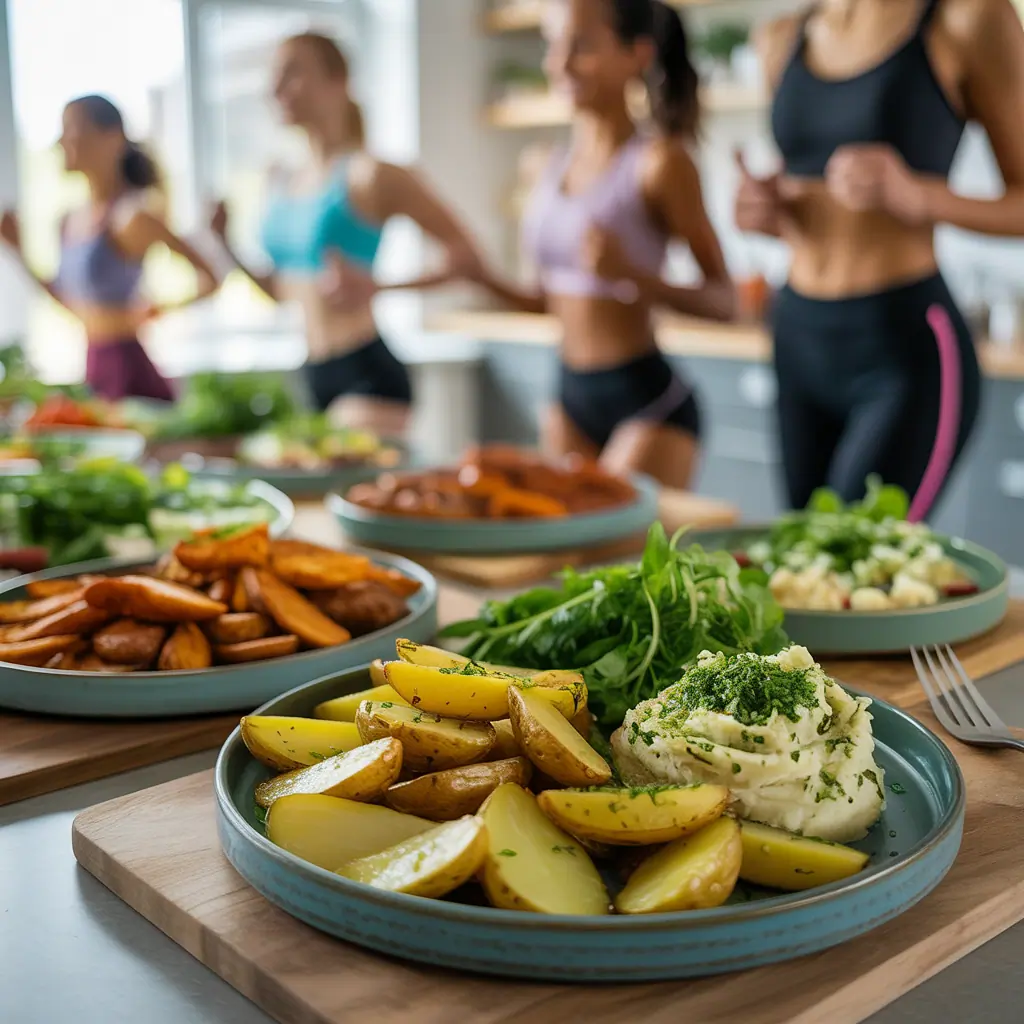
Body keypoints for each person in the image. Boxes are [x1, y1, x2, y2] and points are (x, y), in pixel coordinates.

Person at [736, 0, 1024, 519]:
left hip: (903, 347)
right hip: (797, 333)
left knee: (863, 571)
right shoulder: (781, 37)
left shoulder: (968, 17)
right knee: (802, 565)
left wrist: (920, 196)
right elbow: (811, 189)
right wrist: (767, 208)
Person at [475, 0, 735, 489]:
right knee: (569, 560)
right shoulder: (545, 165)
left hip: (646, 402)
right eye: (552, 46)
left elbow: (726, 300)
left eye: (582, 46)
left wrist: (632, 277)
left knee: (626, 559)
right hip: (568, 396)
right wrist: (476, 274)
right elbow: (546, 300)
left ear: (637, 54)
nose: (558, 63)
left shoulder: (660, 163)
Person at [209, 32, 486, 438]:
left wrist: (380, 286)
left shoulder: (371, 174)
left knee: (338, 490)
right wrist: (225, 244)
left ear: (337, 80)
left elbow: (467, 259)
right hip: (311, 372)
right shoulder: (280, 179)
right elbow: (281, 291)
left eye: (292, 73)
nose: (275, 89)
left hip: (367, 375)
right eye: (274, 77)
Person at [0, 94, 218, 402]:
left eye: (72, 129)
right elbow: (69, 303)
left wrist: (158, 310)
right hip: (92, 366)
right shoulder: (67, 221)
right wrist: (18, 252)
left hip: (130, 369)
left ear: (112, 138)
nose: (61, 142)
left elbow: (211, 276)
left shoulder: (132, 216)